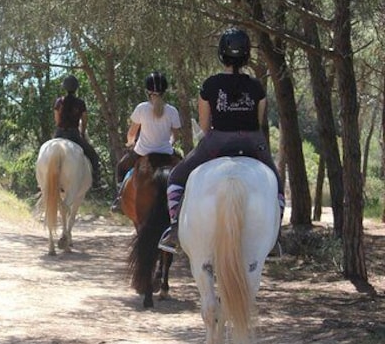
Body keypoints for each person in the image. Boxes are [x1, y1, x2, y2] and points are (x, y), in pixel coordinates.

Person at [158, 27, 285, 254]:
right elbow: (257, 121)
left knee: (176, 177)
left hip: (217, 142)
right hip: (252, 141)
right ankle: (275, 237)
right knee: (276, 181)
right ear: (246, 55)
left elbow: (205, 127)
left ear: (221, 54)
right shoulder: (257, 87)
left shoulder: (209, 85)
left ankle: (175, 228)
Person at [111, 71, 181, 213]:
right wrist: (170, 143)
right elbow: (176, 135)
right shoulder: (172, 111)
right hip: (166, 152)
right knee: (183, 168)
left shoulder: (141, 108)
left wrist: (130, 142)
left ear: (147, 91)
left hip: (142, 151)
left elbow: (131, 133)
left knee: (121, 167)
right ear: (164, 91)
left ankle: (119, 199)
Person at [54, 75, 103, 190]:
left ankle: (40, 181)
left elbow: (56, 120)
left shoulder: (59, 102)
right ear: (76, 88)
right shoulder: (80, 103)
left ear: (64, 87)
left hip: (59, 133)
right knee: (93, 156)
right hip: (74, 134)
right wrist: (82, 132)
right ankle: (96, 182)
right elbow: (85, 120)